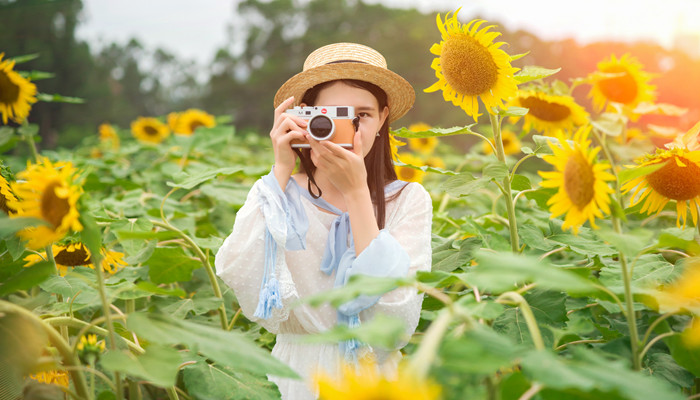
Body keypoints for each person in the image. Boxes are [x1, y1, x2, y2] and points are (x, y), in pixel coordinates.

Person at [215, 42, 433, 400]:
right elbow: (241, 277)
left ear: (383, 120)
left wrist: (358, 193)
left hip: (374, 382)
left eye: (361, 115)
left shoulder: (407, 200)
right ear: (306, 118)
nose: (347, 127)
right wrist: (281, 168)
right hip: (293, 375)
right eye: (329, 116)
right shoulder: (276, 193)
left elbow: (395, 321)